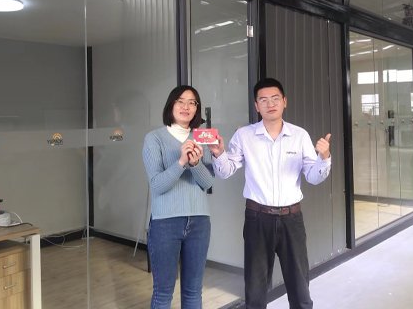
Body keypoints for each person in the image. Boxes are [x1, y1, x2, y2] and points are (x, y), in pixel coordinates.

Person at [209, 78, 331, 309]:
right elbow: (226, 171)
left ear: (284, 101)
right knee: (255, 290)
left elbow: (313, 177)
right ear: (257, 106)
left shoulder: (299, 135)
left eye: (275, 98)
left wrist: (324, 158)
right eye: (263, 100)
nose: (270, 104)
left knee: (300, 288)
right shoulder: (244, 136)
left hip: (291, 219)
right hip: (257, 219)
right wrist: (218, 153)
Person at [142, 85, 214, 309]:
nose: (186, 107)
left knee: (193, 292)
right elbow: (157, 185)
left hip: (199, 222)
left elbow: (207, 183)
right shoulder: (154, 138)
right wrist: (182, 162)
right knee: (163, 293)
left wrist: (195, 163)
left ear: (197, 109)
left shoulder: (201, 138)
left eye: (192, 103)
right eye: (180, 101)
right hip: (165, 223)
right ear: (171, 105)